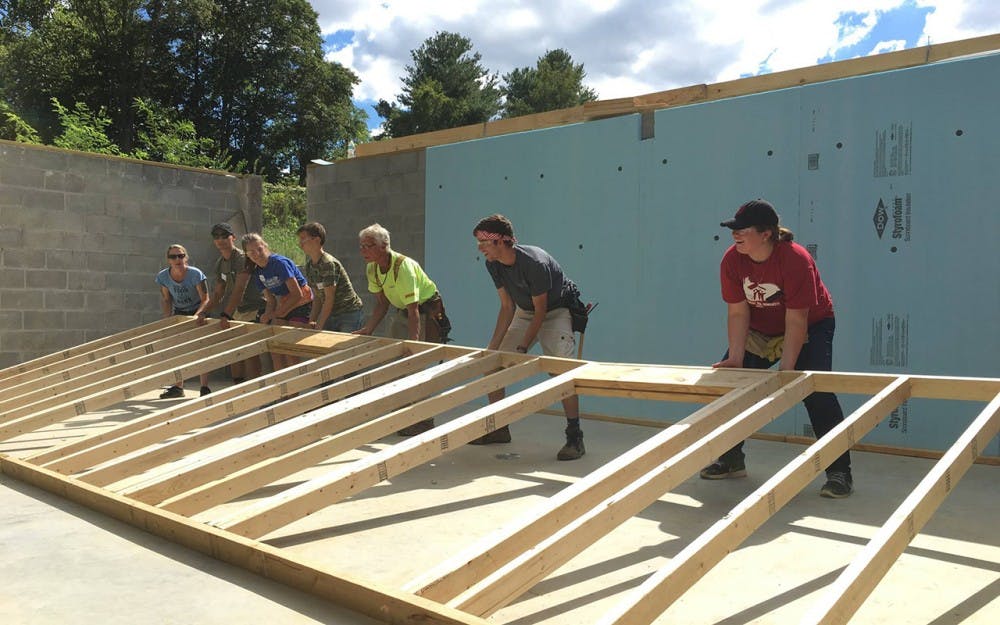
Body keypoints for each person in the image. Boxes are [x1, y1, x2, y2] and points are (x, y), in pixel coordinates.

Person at [703, 199, 853, 498]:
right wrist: (735, 358)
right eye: (734, 229)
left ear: (766, 234)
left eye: (742, 230)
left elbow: (797, 320)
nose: (735, 235)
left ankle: (839, 472)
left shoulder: (796, 259)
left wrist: (786, 372)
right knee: (732, 387)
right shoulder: (732, 260)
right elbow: (737, 312)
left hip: (810, 325)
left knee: (817, 392)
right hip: (760, 328)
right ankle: (731, 459)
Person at [473, 214, 585, 461]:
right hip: (525, 311)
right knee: (492, 366)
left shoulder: (534, 263)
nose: (480, 248)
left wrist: (523, 347)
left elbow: (542, 312)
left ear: (502, 241)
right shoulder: (493, 264)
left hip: (555, 311)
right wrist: (492, 350)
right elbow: (506, 307)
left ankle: (575, 437)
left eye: (484, 242)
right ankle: (498, 427)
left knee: (561, 372)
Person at [353, 223, 451, 436]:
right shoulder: (372, 268)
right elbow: (381, 303)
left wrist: (412, 343)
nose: (363, 251)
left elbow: (414, 310)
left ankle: (423, 420)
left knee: (414, 365)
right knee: (394, 362)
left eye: (368, 246)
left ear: (384, 245)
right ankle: (403, 416)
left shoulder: (403, 266)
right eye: (361, 246)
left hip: (425, 313)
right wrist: (368, 329)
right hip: (402, 311)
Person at [196, 222, 265, 383]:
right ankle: (238, 386)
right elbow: (218, 292)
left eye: (224, 236)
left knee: (249, 350)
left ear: (233, 237)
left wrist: (226, 313)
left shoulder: (242, 258)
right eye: (216, 237)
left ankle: (256, 388)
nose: (220, 240)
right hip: (237, 310)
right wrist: (204, 312)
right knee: (234, 350)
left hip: (253, 307)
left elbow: (239, 288)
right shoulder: (220, 263)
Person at [239, 233, 313, 372]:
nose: (257, 254)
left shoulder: (279, 263)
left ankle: (294, 391)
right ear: (247, 255)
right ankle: (281, 389)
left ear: (266, 247)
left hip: (302, 302)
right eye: (251, 252)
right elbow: (270, 300)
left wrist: (276, 313)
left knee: (289, 348)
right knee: (276, 349)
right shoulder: (257, 272)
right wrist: (267, 315)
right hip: (284, 303)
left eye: (259, 249)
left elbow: (297, 294)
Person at [154, 244, 212, 398]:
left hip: (197, 311)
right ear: (169, 260)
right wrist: (167, 318)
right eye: (173, 257)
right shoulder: (163, 277)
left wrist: (199, 315)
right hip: (180, 312)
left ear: (185, 257)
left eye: (180, 256)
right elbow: (167, 299)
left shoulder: (195, 274)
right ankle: (178, 386)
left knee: (200, 349)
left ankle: (204, 387)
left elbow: (205, 299)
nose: (177, 259)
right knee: (178, 350)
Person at [296, 222, 364, 332]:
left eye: (303, 239)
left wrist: (319, 326)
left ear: (317, 240)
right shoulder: (309, 266)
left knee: (344, 348)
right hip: (331, 313)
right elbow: (317, 297)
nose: (300, 243)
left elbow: (329, 298)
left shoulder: (328, 264)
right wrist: (311, 322)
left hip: (348, 313)